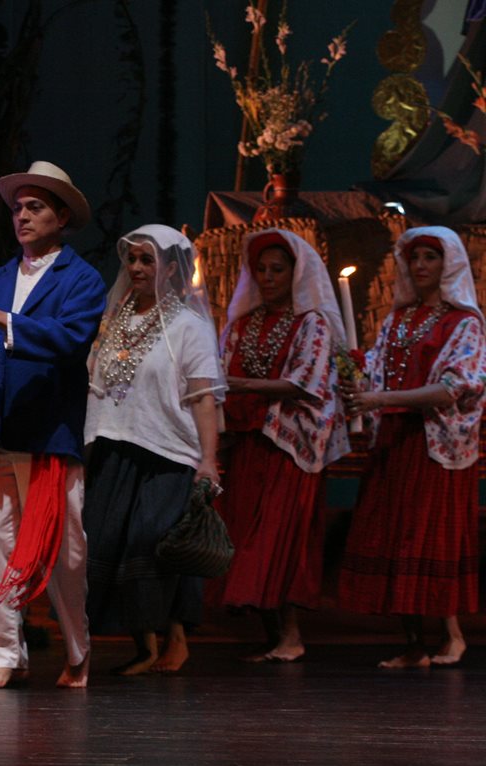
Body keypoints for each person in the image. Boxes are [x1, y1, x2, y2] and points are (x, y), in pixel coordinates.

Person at [0, 161, 105, 689]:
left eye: (35, 207)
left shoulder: (81, 278)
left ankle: (78, 649)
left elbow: (69, 338)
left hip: (46, 431)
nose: (23, 217)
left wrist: (1, 321)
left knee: (64, 552)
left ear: (62, 215)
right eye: (17, 208)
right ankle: (3, 656)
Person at [339, 226, 485, 668]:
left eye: (430, 257)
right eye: (415, 257)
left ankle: (453, 634)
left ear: (448, 264)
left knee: (430, 538)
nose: (420, 266)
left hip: (434, 446)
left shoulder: (464, 324)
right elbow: (379, 377)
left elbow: (451, 389)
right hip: (396, 442)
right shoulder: (398, 319)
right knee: (395, 538)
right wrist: (357, 380)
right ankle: (414, 643)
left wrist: (380, 399)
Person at [83, 224, 224, 676]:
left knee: (154, 545)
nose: (138, 268)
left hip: (167, 452)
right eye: (132, 259)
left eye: (148, 260)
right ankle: (143, 645)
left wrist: (208, 459)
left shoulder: (189, 326)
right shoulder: (116, 318)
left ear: (170, 268)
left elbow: (204, 397)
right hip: (113, 444)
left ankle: (175, 641)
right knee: (110, 544)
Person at [213, 229, 349, 663]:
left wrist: (239, 385)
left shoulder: (311, 323)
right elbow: (220, 367)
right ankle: (274, 634)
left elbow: (306, 382)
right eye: (261, 269)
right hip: (246, 444)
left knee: (276, 539)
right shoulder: (242, 323)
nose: (268, 277)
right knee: (244, 534)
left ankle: (291, 634)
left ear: (296, 273)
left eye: (278, 269)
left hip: (288, 448)